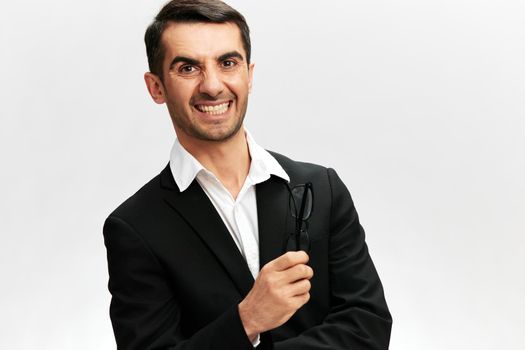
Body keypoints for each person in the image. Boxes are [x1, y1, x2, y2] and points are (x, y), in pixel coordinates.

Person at [103, 0, 392, 349]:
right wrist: (247, 319)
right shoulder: (135, 228)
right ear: (157, 88)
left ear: (249, 75)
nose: (212, 86)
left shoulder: (322, 189)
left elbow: (367, 326)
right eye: (188, 68)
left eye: (227, 63)